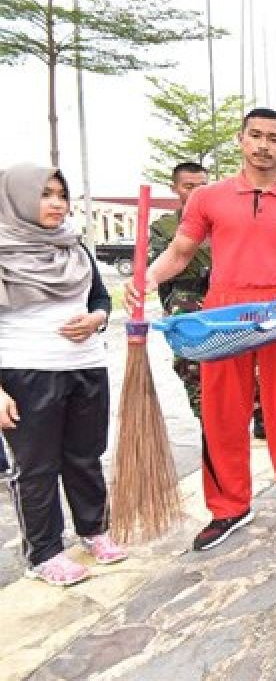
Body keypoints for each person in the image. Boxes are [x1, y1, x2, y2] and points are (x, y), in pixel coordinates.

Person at [131, 107, 276, 552]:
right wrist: (146, 280)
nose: (263, 146)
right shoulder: (208, 198)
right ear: (241, 141)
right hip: (222, 316)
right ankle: (228, 507)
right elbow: (182, 252)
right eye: (255, 136)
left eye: (273, 138)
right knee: (222, 414)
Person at [0, 164, 127, 586]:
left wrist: (96, 319)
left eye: (61, 194)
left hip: (85, 366)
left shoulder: (74, 248)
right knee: (36, 467)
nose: (56, 204)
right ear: (17, 199)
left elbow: (101, 299)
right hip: (26, 370)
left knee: (85, 457)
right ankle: (44, 552)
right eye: (45, 194)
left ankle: (94, 530)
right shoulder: (3, 251)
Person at [150, 161, 267, 438]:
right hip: (187, 300)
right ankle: (208, 417)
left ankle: (260, 411)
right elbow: (166, 264)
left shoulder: (226, 220)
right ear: (175, 188)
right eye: (188, 187)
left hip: (230, 300)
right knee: (193, 365)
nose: (196, 192)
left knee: (250, 356)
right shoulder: (166, 227)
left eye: (202, 186)